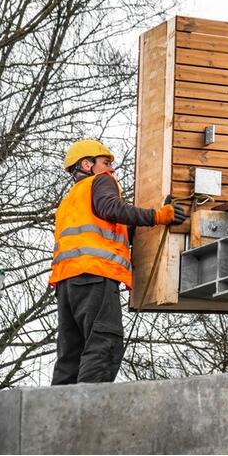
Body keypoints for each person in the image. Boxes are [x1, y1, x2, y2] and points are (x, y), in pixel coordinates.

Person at [50, 139, 189, 385]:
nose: (112, 169)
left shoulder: (69, 201)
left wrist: (141, 225)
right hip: (95, 275)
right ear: (87, 164)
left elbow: (114, 230)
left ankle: (57, 415)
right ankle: (89, 416)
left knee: (70, 355)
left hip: (66, 284)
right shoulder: (101, 181)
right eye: (106, 162)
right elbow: (110, 208)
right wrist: (156, 216)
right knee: (104, 343)